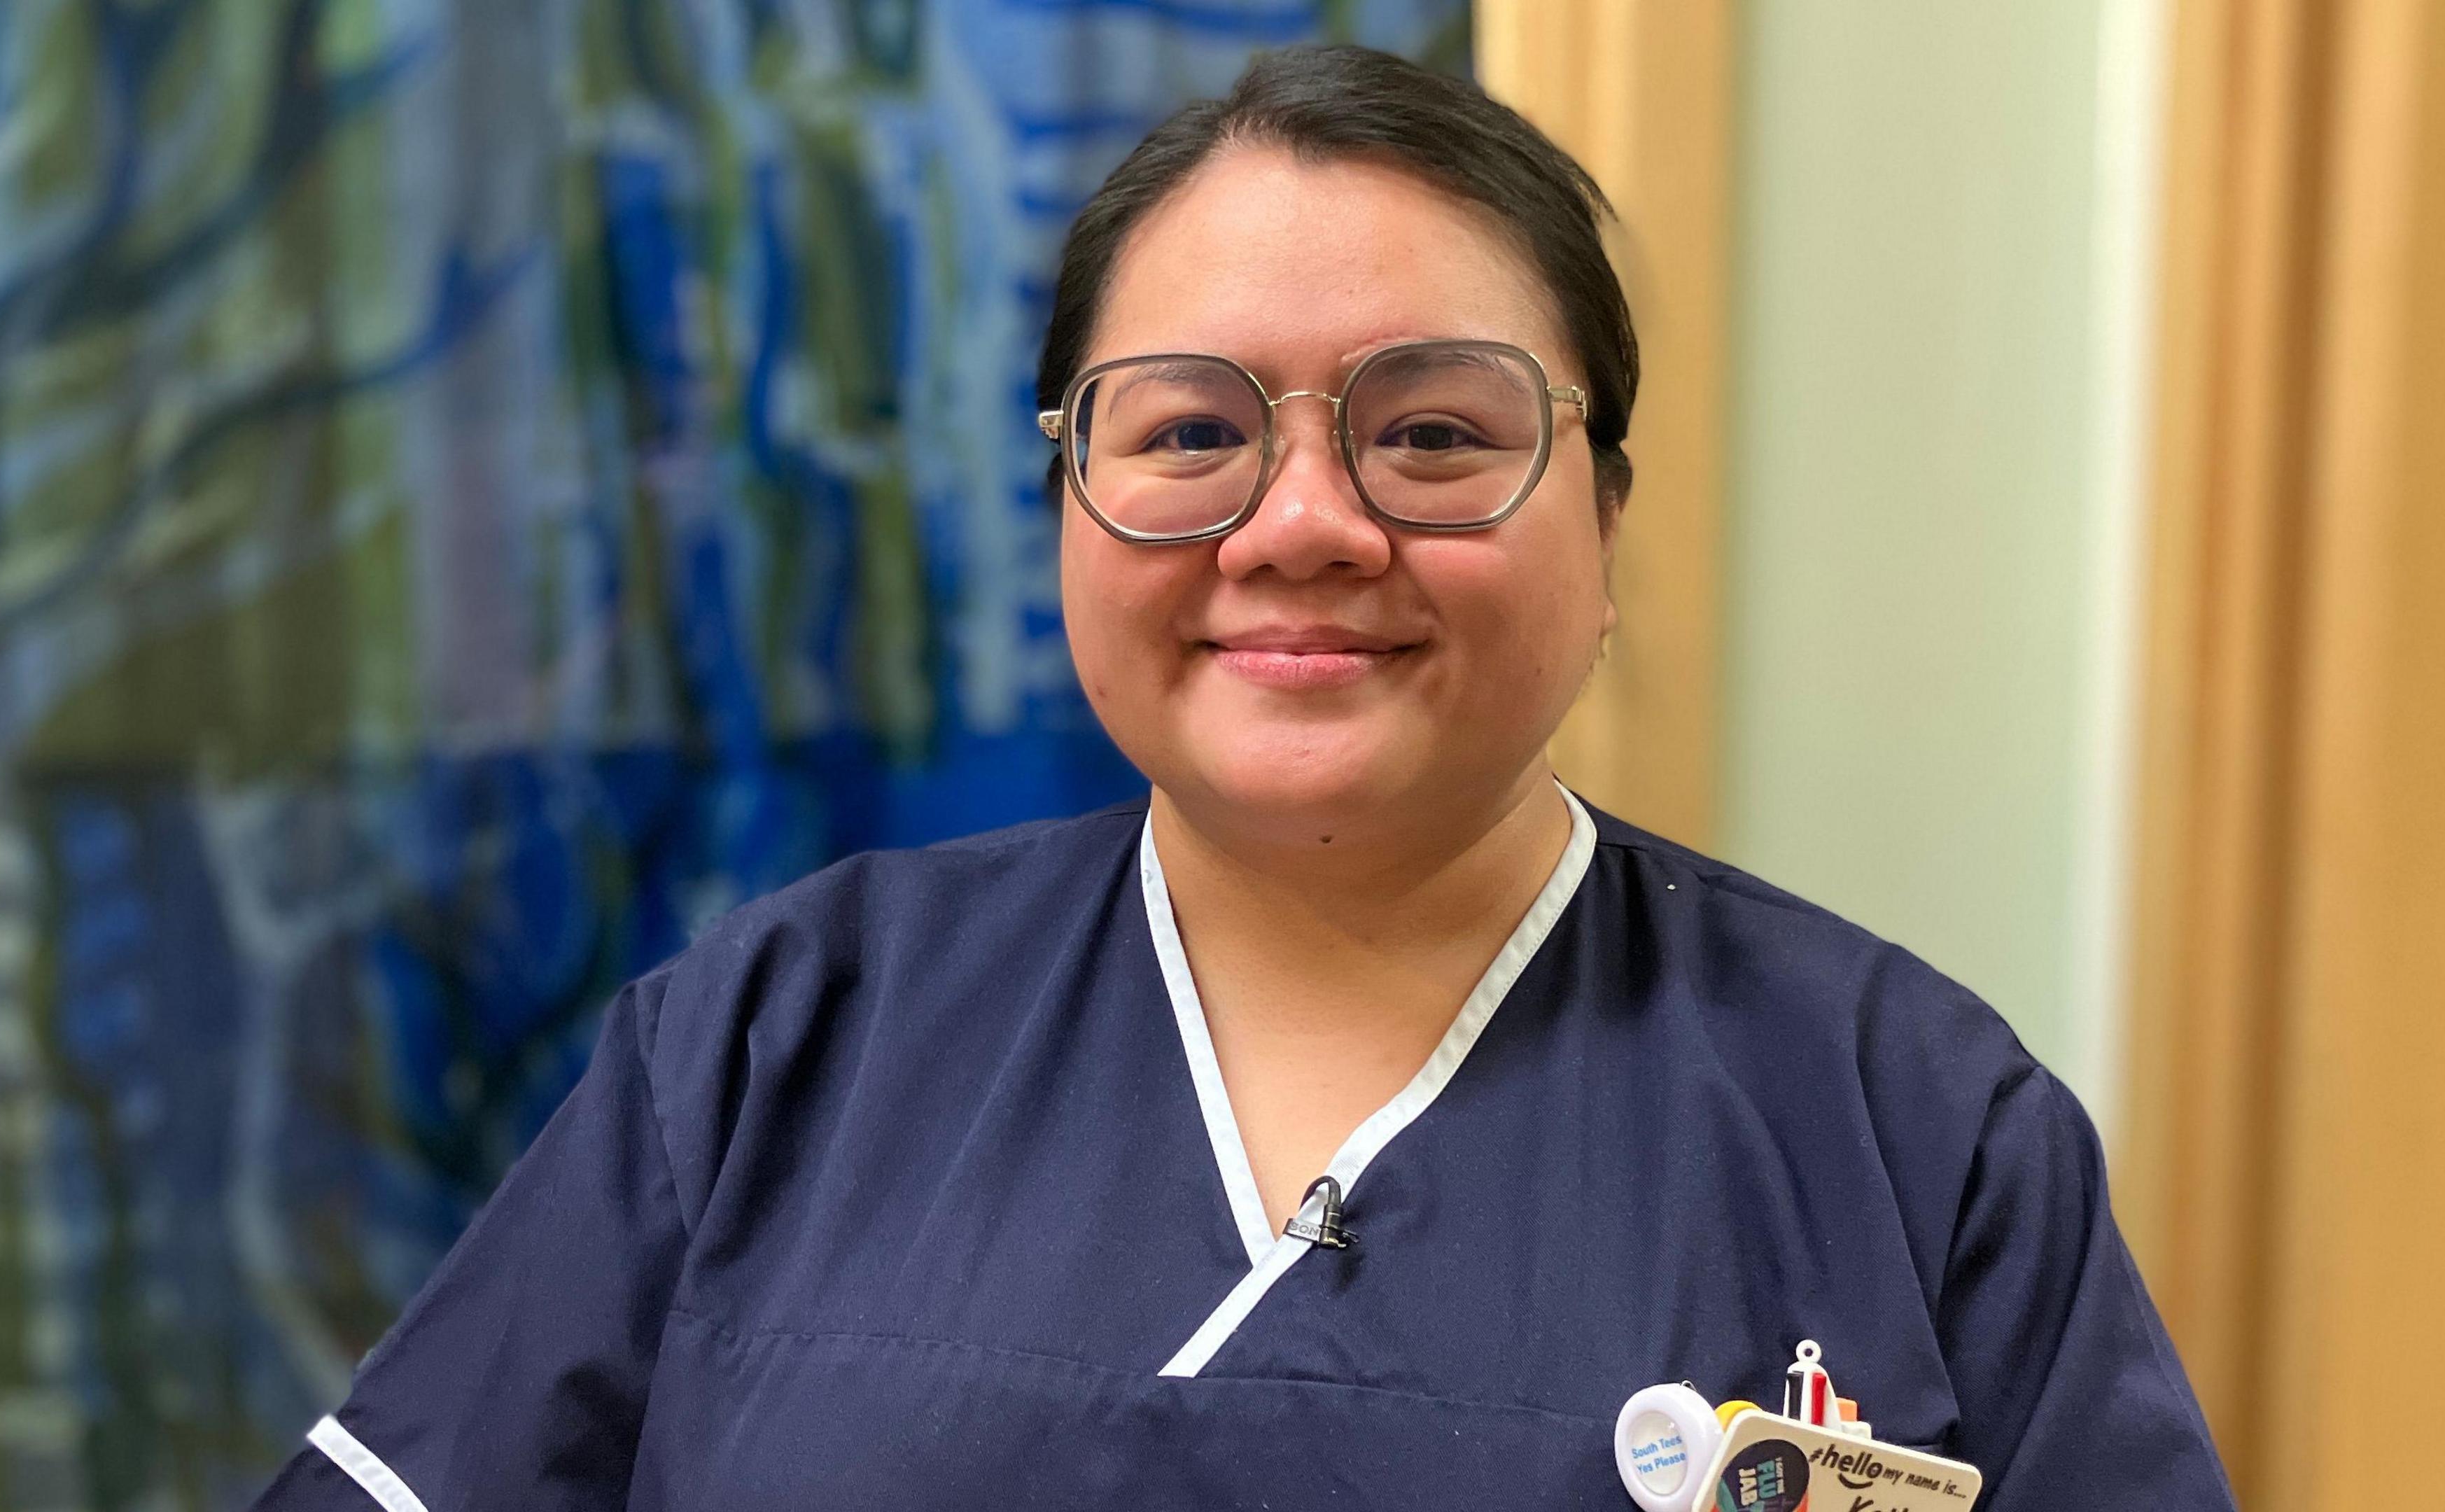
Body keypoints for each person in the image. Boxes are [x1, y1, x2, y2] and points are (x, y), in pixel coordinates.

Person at [253, 45, 2234, 1511]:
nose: (1302, 525)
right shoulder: (775, 1046)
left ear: (1608, 522)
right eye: (1192, 431)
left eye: (1436, 436)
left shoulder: (1912, 1128)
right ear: (1068, 500)